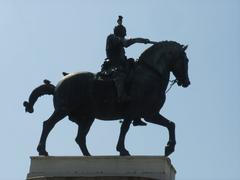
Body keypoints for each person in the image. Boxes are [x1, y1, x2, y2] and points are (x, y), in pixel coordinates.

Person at [105, 16, 150, 126]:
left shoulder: (119, 39)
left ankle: (136, 115)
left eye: (124, 34)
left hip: (123, 64)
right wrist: (139, 40)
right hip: (114, 66)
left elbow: (126, 42)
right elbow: (126, 43)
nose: (124, 35)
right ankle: (121, 96)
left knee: (137, 76)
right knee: (120, 75)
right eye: (123, 33)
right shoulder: (111, 38)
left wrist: (143, 40)